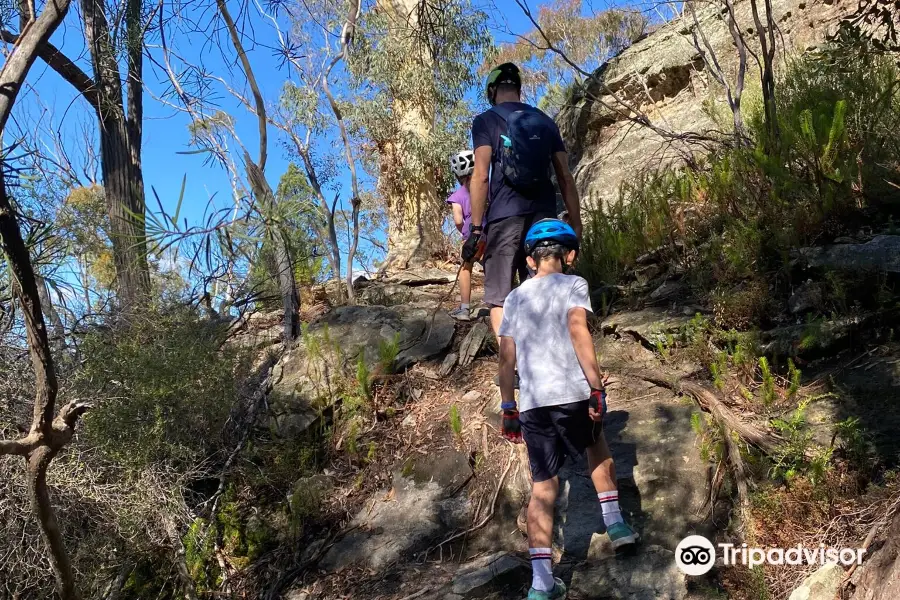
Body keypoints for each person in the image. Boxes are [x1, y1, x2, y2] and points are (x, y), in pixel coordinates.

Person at [497, 219, 638, 600]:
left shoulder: (513, 298)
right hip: (571, 393)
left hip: (533, 404)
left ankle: (542, 584)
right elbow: (579, 330)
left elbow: (506, 356)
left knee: (543, 488)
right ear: (570, 255)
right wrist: (595, 387)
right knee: (597, 449)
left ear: (530, 260)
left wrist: (509, 406)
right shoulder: (574, 284)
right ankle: (616, 525)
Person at [462, 62, 582, 341]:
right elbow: (565, 175)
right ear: (518, 89)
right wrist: (575, 222)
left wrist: (477, 229)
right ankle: (544, 358)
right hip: (544, 216)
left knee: (499, 298)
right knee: (542, 289)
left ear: (492, 91)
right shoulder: (544, 121)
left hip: (504, 217)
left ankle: (512, 366)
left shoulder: (486, 120)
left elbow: (480, 176)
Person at [447, 150, 482, 321]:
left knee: (465, 269)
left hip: (471, 236)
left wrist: (464, 232)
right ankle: (498, 304)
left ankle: (465, 309)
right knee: (491, 266)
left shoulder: (457, 196)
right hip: (490, 231)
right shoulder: (485, 186)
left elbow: (458, 219)